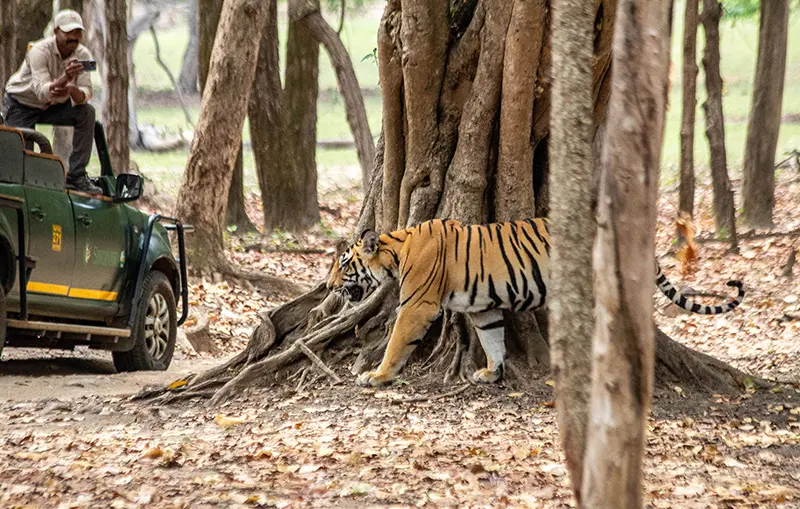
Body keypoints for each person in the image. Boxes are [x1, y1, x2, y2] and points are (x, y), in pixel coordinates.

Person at [2, 9, 102, 195]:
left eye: (77, 32)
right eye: (68, 32)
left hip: (56, 104)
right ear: (56, 31)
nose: (73, 37)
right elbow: (42, 92)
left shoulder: (83, 54)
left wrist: (72, 90)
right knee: (20, 159)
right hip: (22, 103)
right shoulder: (39, 51)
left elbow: (86, 93)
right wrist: (66, 78)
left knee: (86, 112)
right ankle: (26, 191)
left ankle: (76, 177)